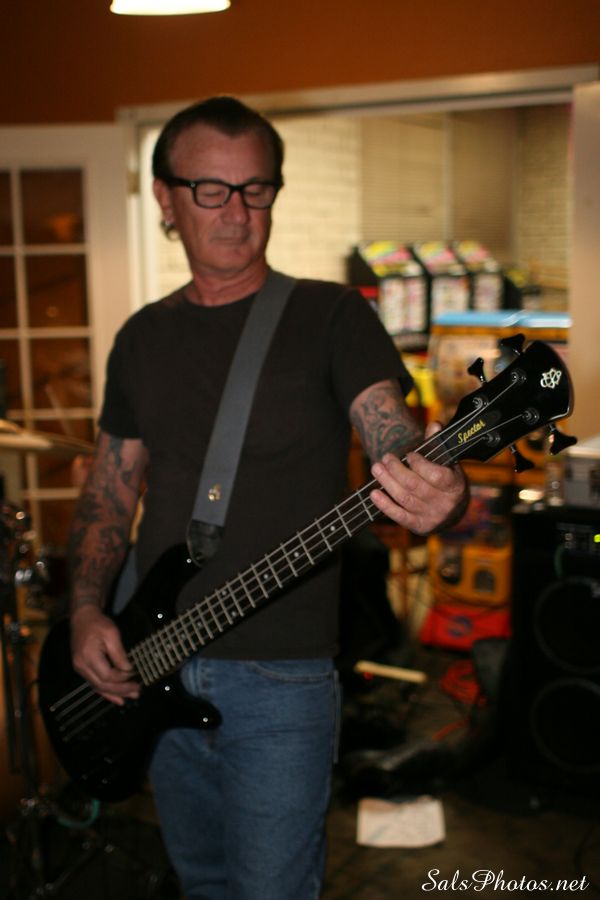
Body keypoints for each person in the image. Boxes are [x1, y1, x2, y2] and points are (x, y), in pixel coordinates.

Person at [68, 96, 468, 900]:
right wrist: (83, 609)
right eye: (211, 189)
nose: (236, 211)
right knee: (201, 881)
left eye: (255, 189)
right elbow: (110, 493)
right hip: (155, 659)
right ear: (165, 199)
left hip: (281, 681)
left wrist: (433, 487)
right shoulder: (141, 338)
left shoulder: (330, 316)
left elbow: (388, 427)